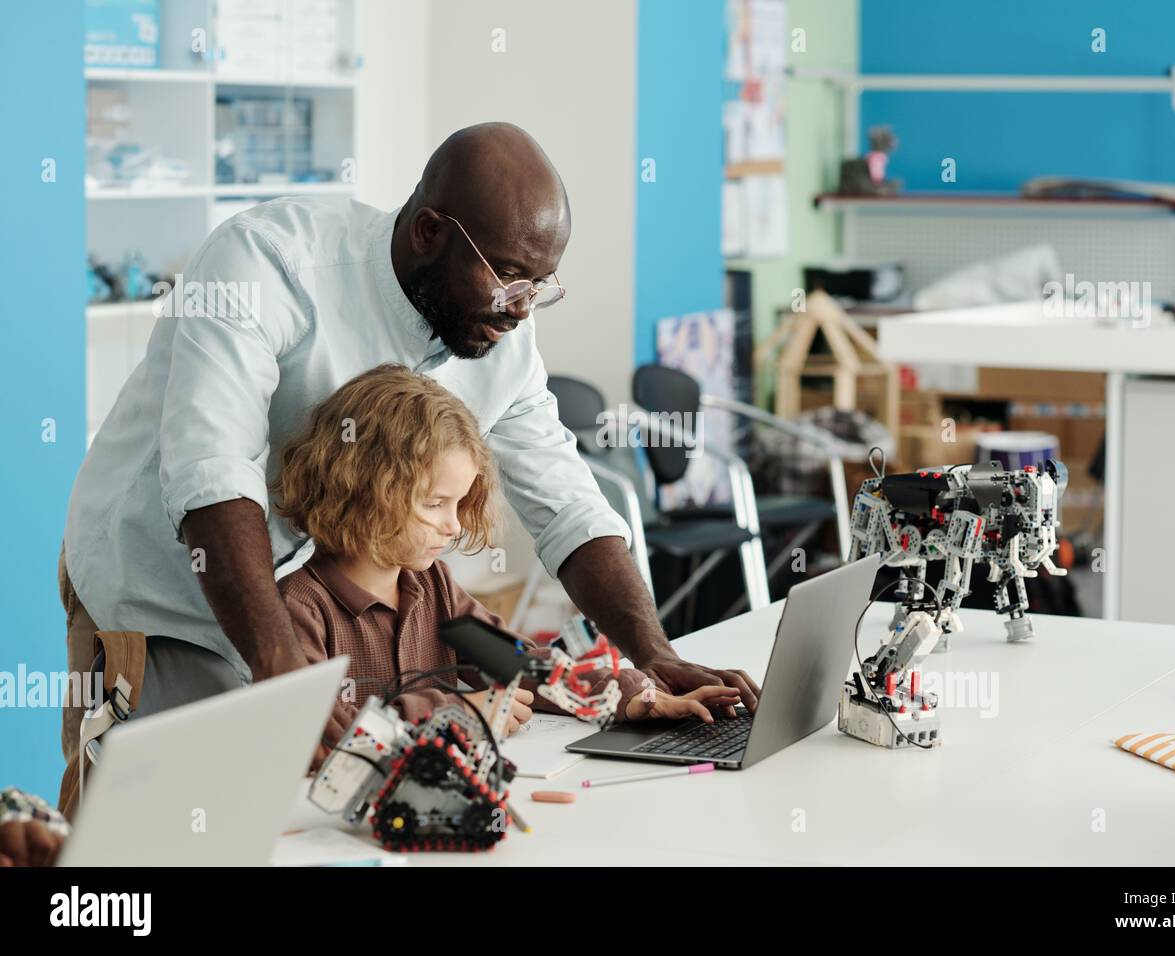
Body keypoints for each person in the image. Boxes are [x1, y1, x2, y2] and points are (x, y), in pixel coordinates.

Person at [61, 121, 757, 773]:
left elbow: (567, 504)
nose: (521, 310)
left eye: (539, 287)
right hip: (163, 599)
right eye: (510, 276)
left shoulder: (434, 588)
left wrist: (650, 658)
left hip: (293, 628)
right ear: (429, 232)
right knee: (168, 830)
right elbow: (211, 470)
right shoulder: (271, 261)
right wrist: (287, 676)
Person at [273, 365, 738, 764]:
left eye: (458, 505)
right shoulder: (299, 606)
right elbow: (318, 733)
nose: (453, 526)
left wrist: (637, 697)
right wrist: (455, 712)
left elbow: (526, 668)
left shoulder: (431, 585)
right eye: (435, 504)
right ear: (364, 490)